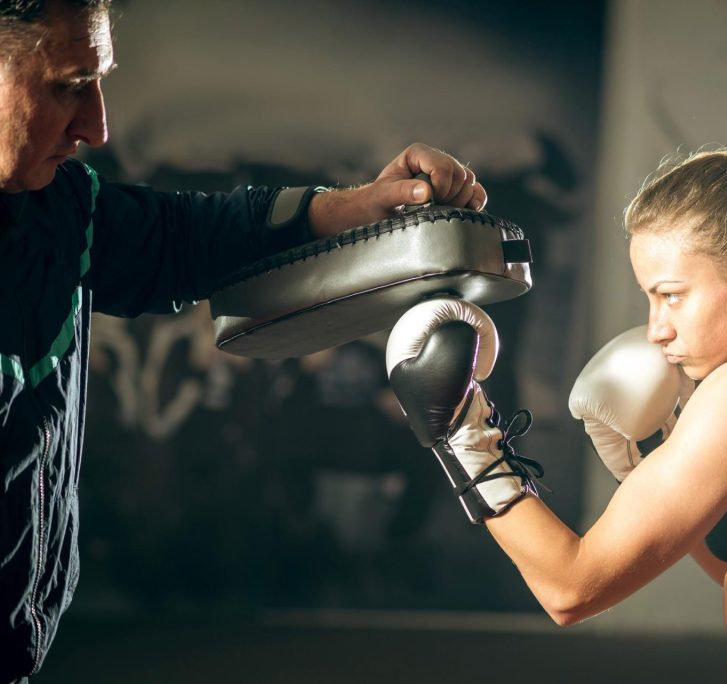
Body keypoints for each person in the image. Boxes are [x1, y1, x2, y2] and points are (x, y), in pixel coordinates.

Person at [0, 0, 486, 681]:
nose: (98, 127)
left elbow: (186, 237)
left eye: (101, 81)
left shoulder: (59, 207)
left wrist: (365, 206)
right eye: (69, 86)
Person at [386, 136, 727, 684]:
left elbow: (570, 590)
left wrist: (461, 434)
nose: (656, 329)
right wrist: (651, 472)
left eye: (672, 295)